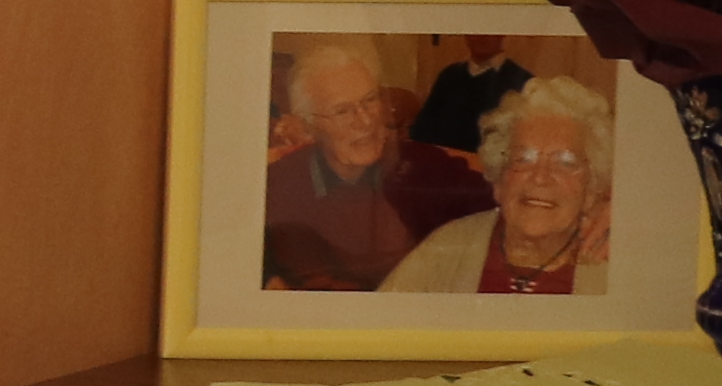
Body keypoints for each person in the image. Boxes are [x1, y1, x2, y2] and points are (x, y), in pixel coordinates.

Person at [260, 36, 487, 291]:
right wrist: (267, 275)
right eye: (343, 111)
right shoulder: (278, 184)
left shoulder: (425, 168)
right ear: (309, 126)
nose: (365, 121)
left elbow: (500, 206)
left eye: (369, 100)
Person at [382, 72, 621, 296]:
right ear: (500, 179)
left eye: (565, 163)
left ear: (592, 188)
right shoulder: (448, 248)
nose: (540, 176)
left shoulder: (614, 260)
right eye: (523, 159)